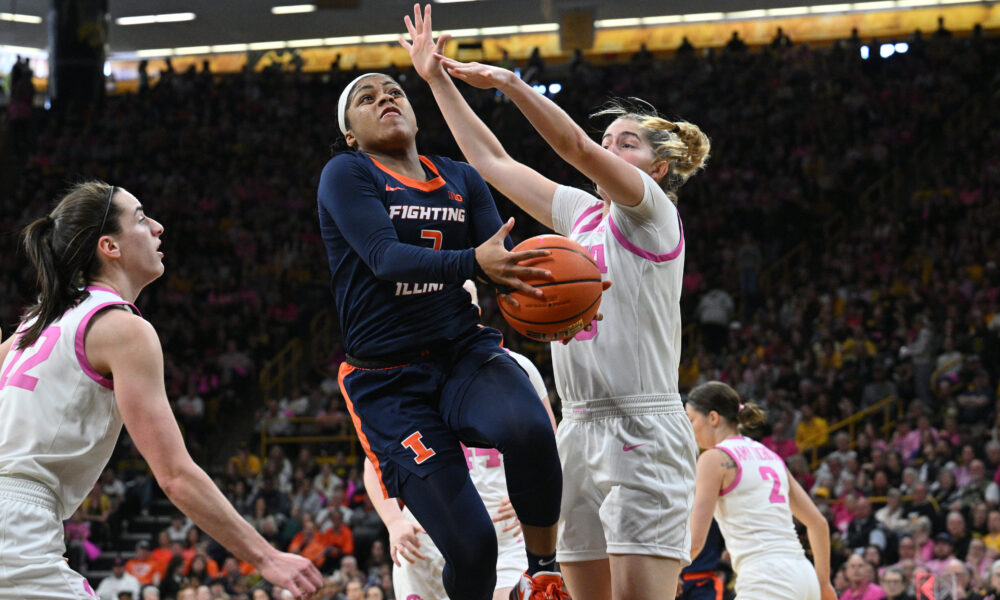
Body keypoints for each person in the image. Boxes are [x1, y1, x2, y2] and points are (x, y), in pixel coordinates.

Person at [401, 5, 707, 598]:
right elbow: (492, 163)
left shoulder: (651, 213)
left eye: (628, 144)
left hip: (644, 425)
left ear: (659, 167)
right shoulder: (582, 214)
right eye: (607, 140)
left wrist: (514, 85)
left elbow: (571, 145)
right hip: (577, 425)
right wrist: (435, 77)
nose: (610, 149)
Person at [316, 36, 566, 599]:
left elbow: (500, 266)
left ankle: (544, 572)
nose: (385, 98)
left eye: (394, 91)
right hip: (390, 382)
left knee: (528, 428)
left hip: (463, 352)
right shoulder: (346, 172)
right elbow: (384, 258)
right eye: (366, 97)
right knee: (472, 548)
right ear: (351, 134)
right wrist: (474, 262)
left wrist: (552, 301)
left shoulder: (460, 177)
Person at [0, 182, 322, 599]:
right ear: (109, 246)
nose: (157, 227)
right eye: (140, 218)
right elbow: (174, 475)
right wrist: (266, 557)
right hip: (17, 523)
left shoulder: (35, 324)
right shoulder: (122, 329)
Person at [364, 283, 556, 600]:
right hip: (427, 537)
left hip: (505, 533)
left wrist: (532, 497)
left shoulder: (517, 367)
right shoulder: (402, 375)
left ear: (474, 309)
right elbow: (375, 463)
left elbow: (548, 444)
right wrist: (394, 521)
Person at [685, 381, 836, 600]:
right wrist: (824, 585)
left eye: (691, 420)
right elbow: (818, 523)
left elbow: (695, 541)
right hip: (805, 576)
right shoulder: (769, 455)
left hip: (768, 579)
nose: (690, 428)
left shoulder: (713, 459)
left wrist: (669, 577)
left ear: (713, 418)